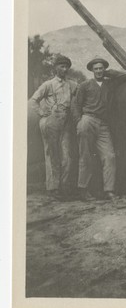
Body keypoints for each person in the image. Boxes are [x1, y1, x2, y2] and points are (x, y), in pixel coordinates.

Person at [72, 56, 126, 201]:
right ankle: (83, 190)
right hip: (88, 120)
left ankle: (108, 190)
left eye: (101, 68)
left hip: (103, 124)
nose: (98, 71)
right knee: (85, 156)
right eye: (96, 69)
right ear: (92, 70)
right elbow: (76, 105)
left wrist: (109, 72)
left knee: (109, 156)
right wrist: (79, 122)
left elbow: (124, 76)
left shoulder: (109, 83)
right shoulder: (85, 85)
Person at [30, 54, 78, 200]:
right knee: (52, 154)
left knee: (66, 155)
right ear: (55, 68)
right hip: (50, 121)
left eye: (66, 67)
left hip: (65, 122)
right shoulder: (48, 84)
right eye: (61, 66)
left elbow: (81, 93)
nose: (64, 69)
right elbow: (34, 100)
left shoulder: (72, 84)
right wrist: (42, 112)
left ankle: (64, 187)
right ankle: (53, 188)